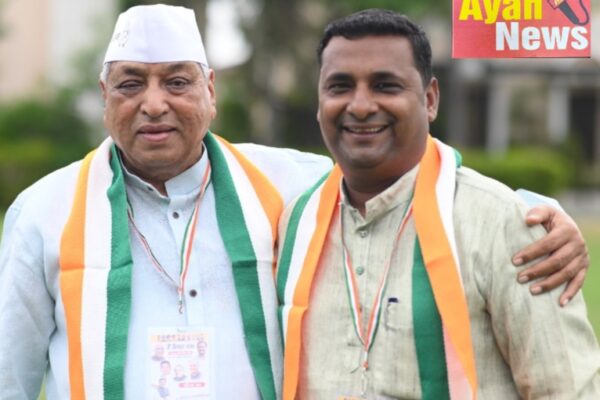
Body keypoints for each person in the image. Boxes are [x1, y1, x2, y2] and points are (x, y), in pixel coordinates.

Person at [0, 4, 590, 400]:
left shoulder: (287, 183)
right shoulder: (43, 213)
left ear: (211, 90)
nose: (154, 103)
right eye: (131, 83)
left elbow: (401, 173)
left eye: (177, 81)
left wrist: (531, 213)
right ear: (105, 95)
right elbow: (11, 379)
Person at [276, 9, 600, 399]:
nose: (360, 106)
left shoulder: (501, 224)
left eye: (385, 86)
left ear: (429, 100)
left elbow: (568, 389)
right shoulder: (293, 223)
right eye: (340, 86)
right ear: (319, 102)